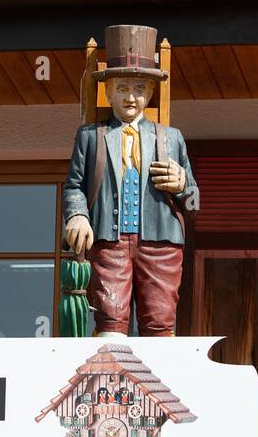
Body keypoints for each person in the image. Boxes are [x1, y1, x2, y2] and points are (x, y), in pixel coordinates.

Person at [62, 25, 197, 337]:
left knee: (160, 323)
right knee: (110, 321)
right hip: (109, 243)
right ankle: (110, 381)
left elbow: (194, 200)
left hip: (161, 244)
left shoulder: (171, 138)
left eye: (138, 89)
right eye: (122, 89)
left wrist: (183, 185)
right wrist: (78, 214)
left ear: (149, 93)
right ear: (108, 92)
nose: (131, 97)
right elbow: (74, 186)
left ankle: (156, 384)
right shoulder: (90, 137)